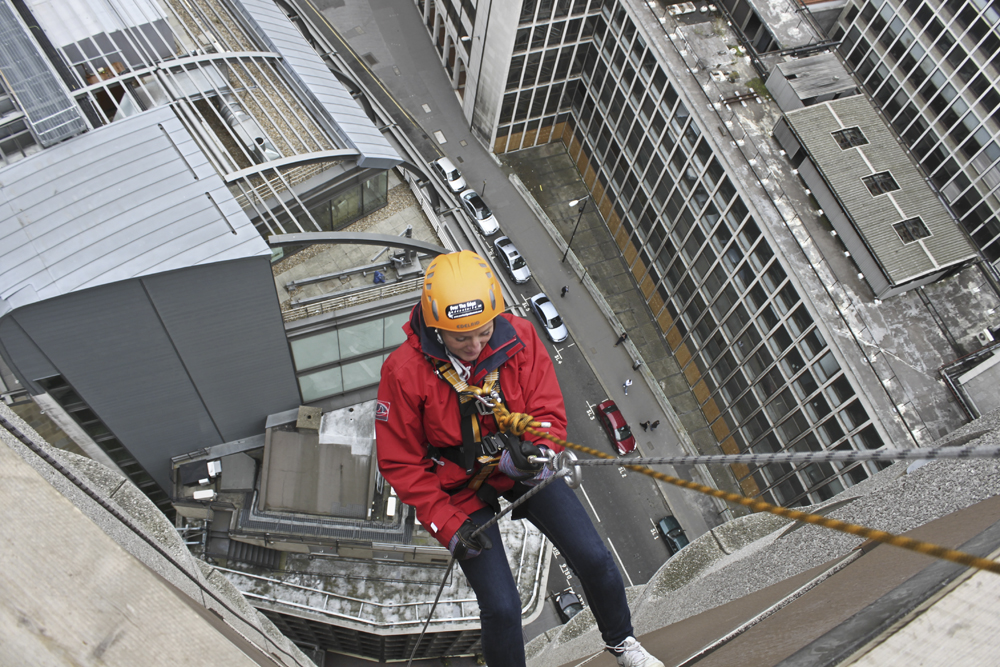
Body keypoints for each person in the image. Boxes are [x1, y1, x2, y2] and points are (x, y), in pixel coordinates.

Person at [376, 251, 664, 667]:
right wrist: (447, 525)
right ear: (437, 329)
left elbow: (547, 412)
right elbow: (401, 462)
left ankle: (623, 644)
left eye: (483, 332)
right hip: (458, 489)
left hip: (520, 467)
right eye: (461, 339)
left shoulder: (520, 339)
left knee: (594, 558)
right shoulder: (403, 372)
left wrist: (537, 452)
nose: (475, 347)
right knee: (502, 608)